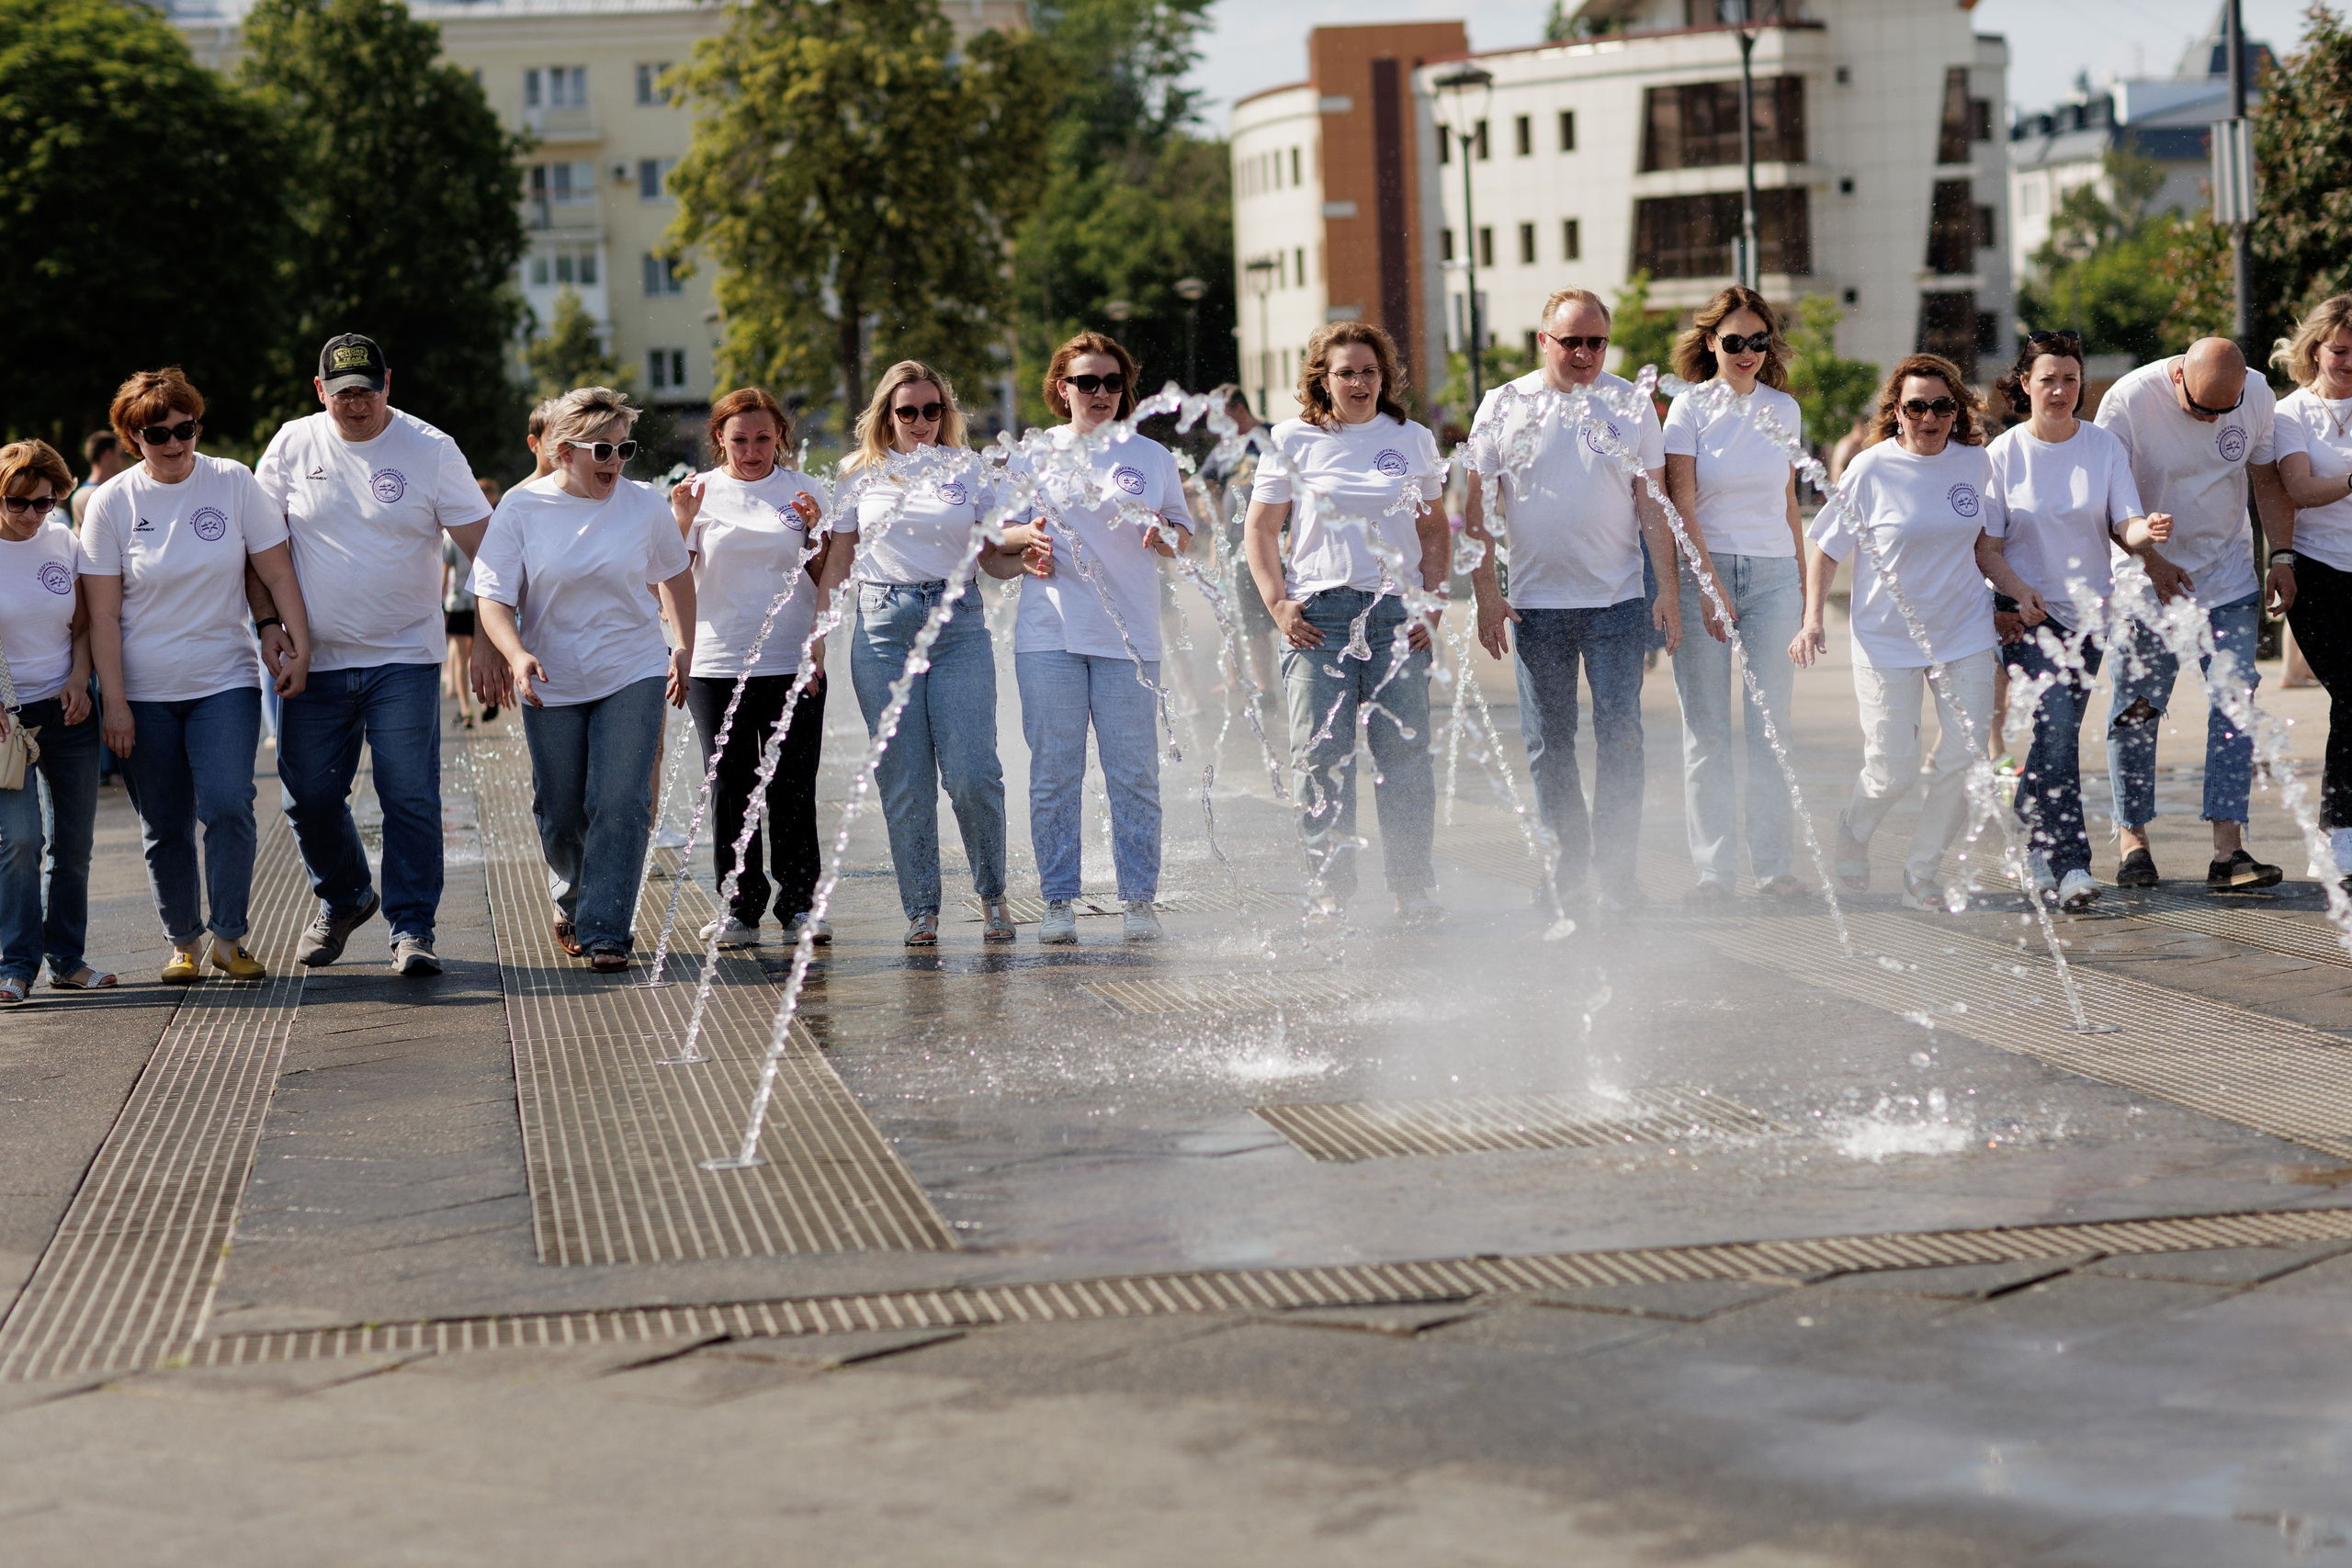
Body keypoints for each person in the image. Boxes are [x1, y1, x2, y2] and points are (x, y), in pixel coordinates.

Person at [250, 334, 492, 976]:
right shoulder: (291, 444)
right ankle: (346, 894)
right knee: (306, 795)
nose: (356, 405)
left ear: (389, 382)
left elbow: (487, 547)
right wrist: (268, 621)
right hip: (314, 657)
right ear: (319, 389)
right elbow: (258, 546)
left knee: (408, 794)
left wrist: (492, 636)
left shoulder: (430, 448)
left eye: (368, 390)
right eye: (343, 393)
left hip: (404, 657)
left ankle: (412, 926)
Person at [81, 367, 313, 981]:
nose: (177, 443)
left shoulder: (232, 481)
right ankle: (182, 940)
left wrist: (298, 641)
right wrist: (116, 703)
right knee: (164, 824)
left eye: (186, 428)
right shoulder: (112, 502)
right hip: (144, 690)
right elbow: (102, 615)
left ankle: (229, 936)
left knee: (229, 802)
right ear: (133, 439)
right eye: (160, 434)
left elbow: (279, 570)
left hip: (224, 678)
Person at [1798, 355, 2045, 909]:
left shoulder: (1975, 464)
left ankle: (1920, 873)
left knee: (1965, 760)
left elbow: (1983, 549)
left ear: (1955, 411)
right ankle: (1854, 827)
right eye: (1917, 406)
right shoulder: (1869, 469)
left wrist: (2019, 587)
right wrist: (1813, 618)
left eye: (1941, 406)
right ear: (1897, 410)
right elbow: (1826, 548)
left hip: (1963, 632)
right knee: (1894, 769)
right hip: (1887, 639)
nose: (1929, 417)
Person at [1465, 288, 1679, 912]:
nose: (1585, 354)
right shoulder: (1503, 405)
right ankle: (1566, 865)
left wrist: (1664, 588)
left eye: (1596, 342)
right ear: (1543, 342)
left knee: (1623, 737)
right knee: (1546, 743)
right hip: (1536, 605)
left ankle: (1616, 871)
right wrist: (1486, 594)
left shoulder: (1631, 403)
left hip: (1617, 602)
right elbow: (1475, 511)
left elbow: (1653, 505)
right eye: (1571, 342)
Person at [470, 387, 695, 972]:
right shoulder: (521, 509)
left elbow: (674, 576)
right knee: (561, 808)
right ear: (564, 452)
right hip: (552, 678)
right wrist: (516, 655)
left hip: (633, 668)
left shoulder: (643, 505)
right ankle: (572, 896)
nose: (615, 463)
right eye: (602, 451)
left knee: (620, 800)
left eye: (624, 449)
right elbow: (493, 598)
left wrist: (683, 646)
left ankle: (606, 930)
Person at [1248, 321, 1447, 921]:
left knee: (1405, 759)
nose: (1359, 382)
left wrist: (1432, 602)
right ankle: (1329, 888)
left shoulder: (1411, 438)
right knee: (1320, 754)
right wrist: (1277, 604)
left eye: (1369, 371)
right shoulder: (1292, 439)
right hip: (1319, 617)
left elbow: (1434, 529)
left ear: (1384, 377)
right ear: (1322, 379)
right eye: (1345, 372)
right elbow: (1260, 528)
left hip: (1395, 617)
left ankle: (1413, 889)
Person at [823, 361, 1023, 947]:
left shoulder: (970, 469)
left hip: (957, 624)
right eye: (906, 411)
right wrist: (814, 640)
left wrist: (1027, 557)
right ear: (887, 415)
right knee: (905, 781)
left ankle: (992, 895)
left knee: (972, 774)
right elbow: (837, 562)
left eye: (931, 410)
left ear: (946, 413)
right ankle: (923, 910)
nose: (920, 422)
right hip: (882, 630)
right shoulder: (857, 473)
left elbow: (993, 557)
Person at [1979, 331, 2173, 912]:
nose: (2059, 389)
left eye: (2069, 379)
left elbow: (2126, 525)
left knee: (2053, 736)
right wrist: (2018, 593)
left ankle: (2031, 825)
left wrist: (2150, 532)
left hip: (2089, 620)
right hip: (2022, 615)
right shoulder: (2003, 455)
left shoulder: (2102, 448)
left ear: (2081, 384)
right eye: (2047, 379)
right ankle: (2070, 866)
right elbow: (1986, 548)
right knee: (2060, 728)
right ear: (2025, 385)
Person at [2095, 336, 2293, 890]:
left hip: (2227, 575)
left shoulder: (2255, 394)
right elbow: (2109, 504)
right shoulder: (2129, 401)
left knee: (2235, 702)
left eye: (2220, 411)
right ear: (2177, 374)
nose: (2210, 420)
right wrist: (2152, 562)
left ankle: (2228, 852)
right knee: (2137, 707)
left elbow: (2266, 478)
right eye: (2199, 408)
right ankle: (2134, 840)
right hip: (2144, 575)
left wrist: (2280, 555)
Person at [1014, 332, 1192, 943]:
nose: (1100, 393)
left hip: (1131, 636)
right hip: (1049, 636)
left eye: (1111, 382)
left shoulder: (1151, 456)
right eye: (1086, 381)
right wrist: (1023, 542)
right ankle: (1058, 900)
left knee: (1134, 773)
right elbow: (996, 542)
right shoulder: (1032, 456)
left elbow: (1181, 533)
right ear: (1061, 388)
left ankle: (1139, 899)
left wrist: (1165, 534)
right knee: (1055, 773)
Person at [672, 387, 833, 948]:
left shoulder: (804, 493)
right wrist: (681, 649)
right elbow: (671, 578)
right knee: (732, 788)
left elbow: (828, 585)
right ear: (719, 439)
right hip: (718, 664)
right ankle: (739, 907)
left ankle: (798, 906)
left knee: (793, 786)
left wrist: (817, 537)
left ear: (780, 437)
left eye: (763, 438)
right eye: (739, 439)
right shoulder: (697, 493)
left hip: (792, 661)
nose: (751, 450)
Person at [1662, 285, 1806, 903]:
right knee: (1708, 731)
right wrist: (1708, 586)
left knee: (1772, 728)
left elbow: (1789, 500)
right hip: (1707, 570)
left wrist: (1803, 584)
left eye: (1758, 340)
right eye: (1733, 341)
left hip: (1775, 576)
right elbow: (1682, 504)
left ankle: (1774, 867)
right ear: (1710, 343)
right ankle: (1714, 872)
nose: (1746, 352)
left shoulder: (1785, 409)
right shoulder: (1688, 410)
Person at [0, 441, 112, 1001]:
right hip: (8, 722)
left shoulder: (64, 541)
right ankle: (13, 966)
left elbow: (88, 621)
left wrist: (79, 678)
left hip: (67, 710)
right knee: (20, 840)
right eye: (20, 503)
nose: (32, 515)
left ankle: (66, 959)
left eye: (44, 503)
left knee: (73, 845)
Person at [2269, 293, 2352, 888]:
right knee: (2351, 696)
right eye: (2341, 352)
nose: (2349, 363)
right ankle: (2339, 836)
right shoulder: (2290, 413)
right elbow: (2297, 489)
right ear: (2315, 349)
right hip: (2319, 574)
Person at [1199, 385, 1278, 726]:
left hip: (1272, 540)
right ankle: (1237, 680)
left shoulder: (1273, 437)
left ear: (1240, 409)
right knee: (1234, 614)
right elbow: (1202, 482)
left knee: (1260, 619)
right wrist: (1207, 507)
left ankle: (1266, 685)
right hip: (1233, 543)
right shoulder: (1224, 450)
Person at [442, 482, 496, 729]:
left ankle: (466, 710)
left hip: (457, 602)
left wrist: (439, 605)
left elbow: (444, 573)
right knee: (476, 655)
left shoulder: (450, 535)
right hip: (480, 602)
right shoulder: (491, 529)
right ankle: (485, 701)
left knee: (460, 657)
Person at [70, 431, 124, 529]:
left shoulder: (80, 493)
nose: (123, 460)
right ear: (107, 454)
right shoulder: (91, 495)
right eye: (121, 454)